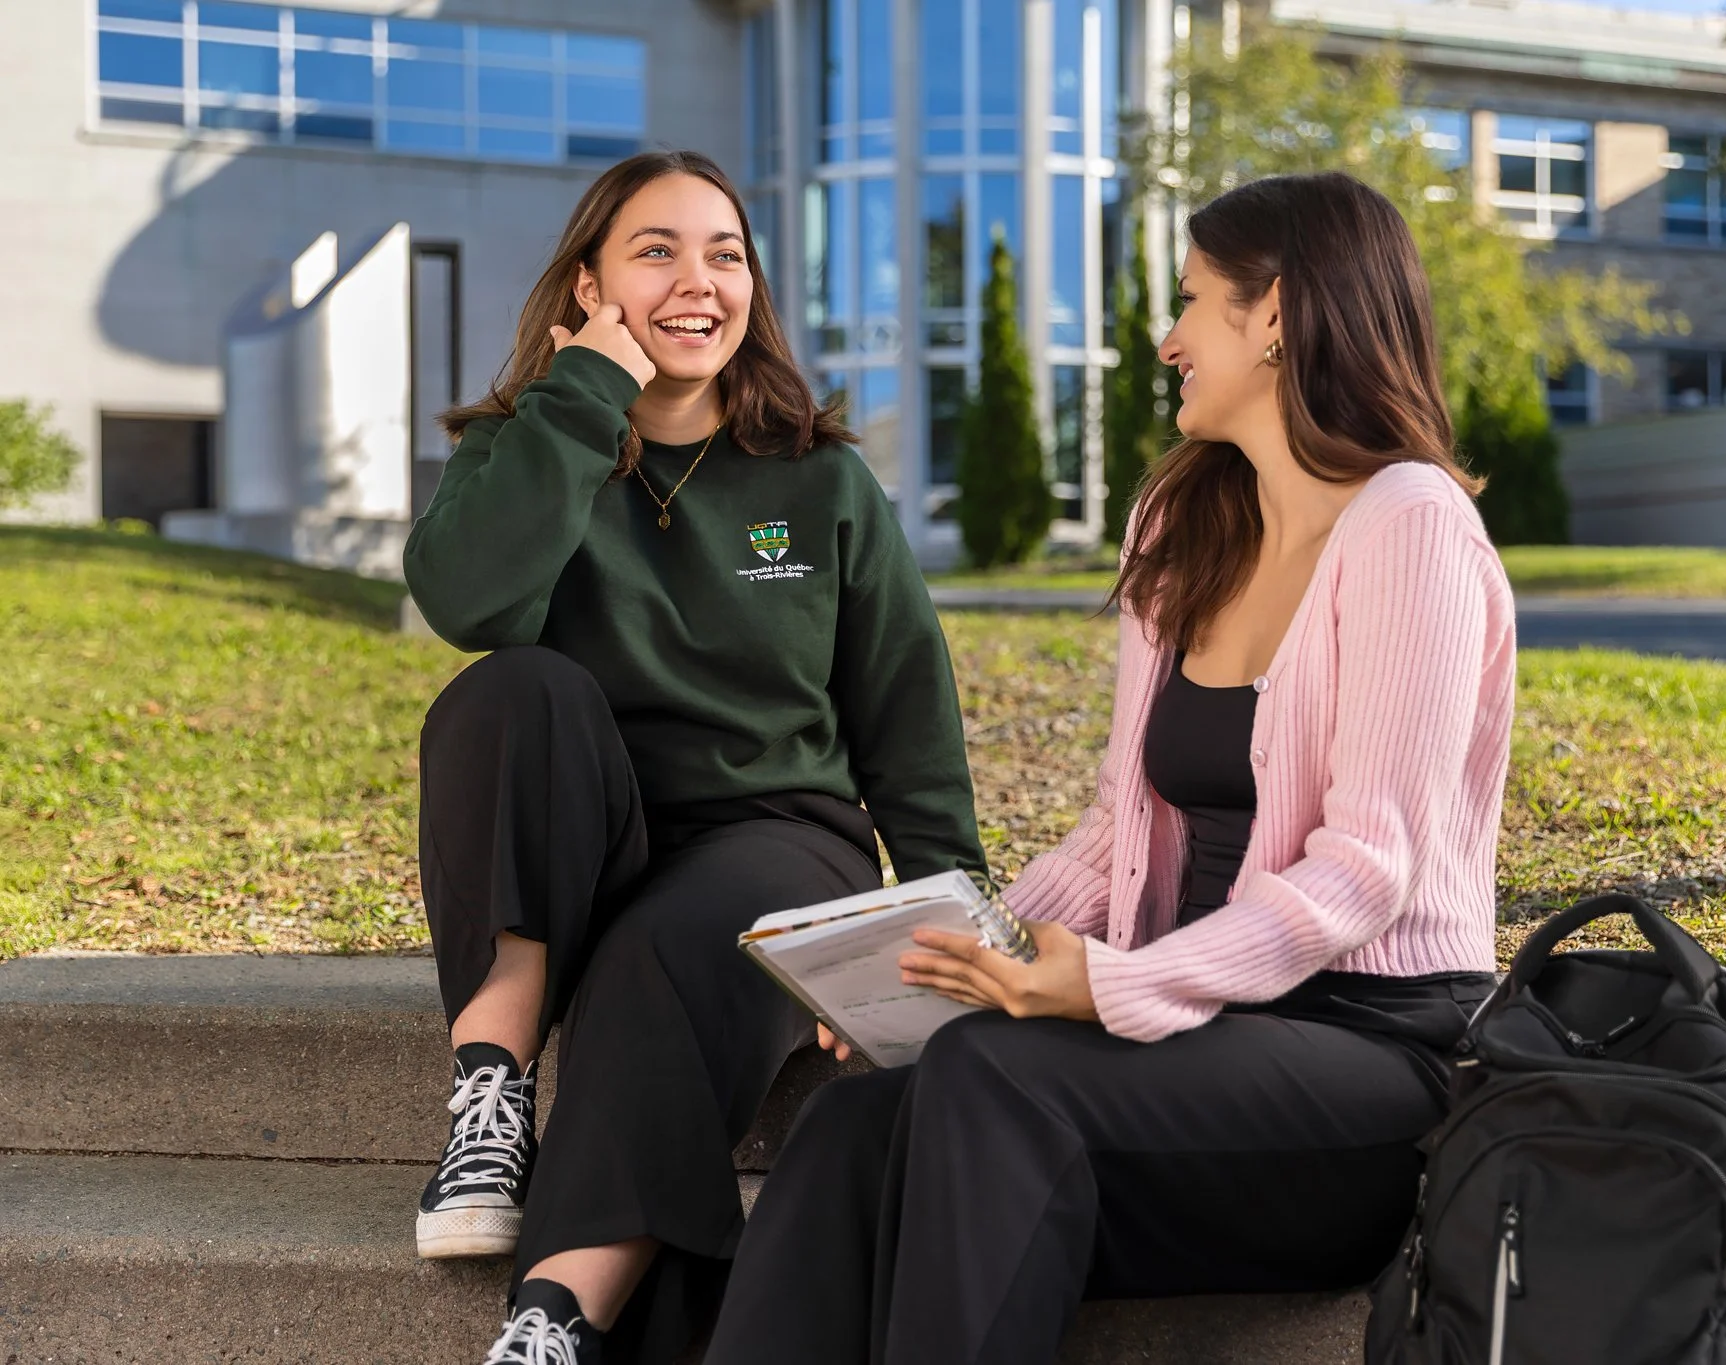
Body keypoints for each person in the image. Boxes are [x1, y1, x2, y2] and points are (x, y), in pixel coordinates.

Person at [701, 170, 1518, 1365]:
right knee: (855, 1130)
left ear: (1278, 313)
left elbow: (1365, 871)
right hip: (1186, 1051)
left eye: (1190, 303)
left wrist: (1110, 988)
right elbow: (1113, 831)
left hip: (1369, 1069)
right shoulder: (1181, 523)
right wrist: (944, 953)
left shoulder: (1410, 524)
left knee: (990, 1079)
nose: (1163, 337)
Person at [401, 149, 986, 1365]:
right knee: (510, 693)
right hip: (594, 838)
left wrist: (941, 915)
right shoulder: (523, 447)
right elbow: (469, 605)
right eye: (655, 251)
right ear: (588, 286)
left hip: (770, 838)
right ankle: (492, 1095)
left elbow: (904, 706)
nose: (697, 281)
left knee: (666, 954)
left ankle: (550, 1323)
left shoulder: (816, 475)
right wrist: (580, 400)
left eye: (724, 254)